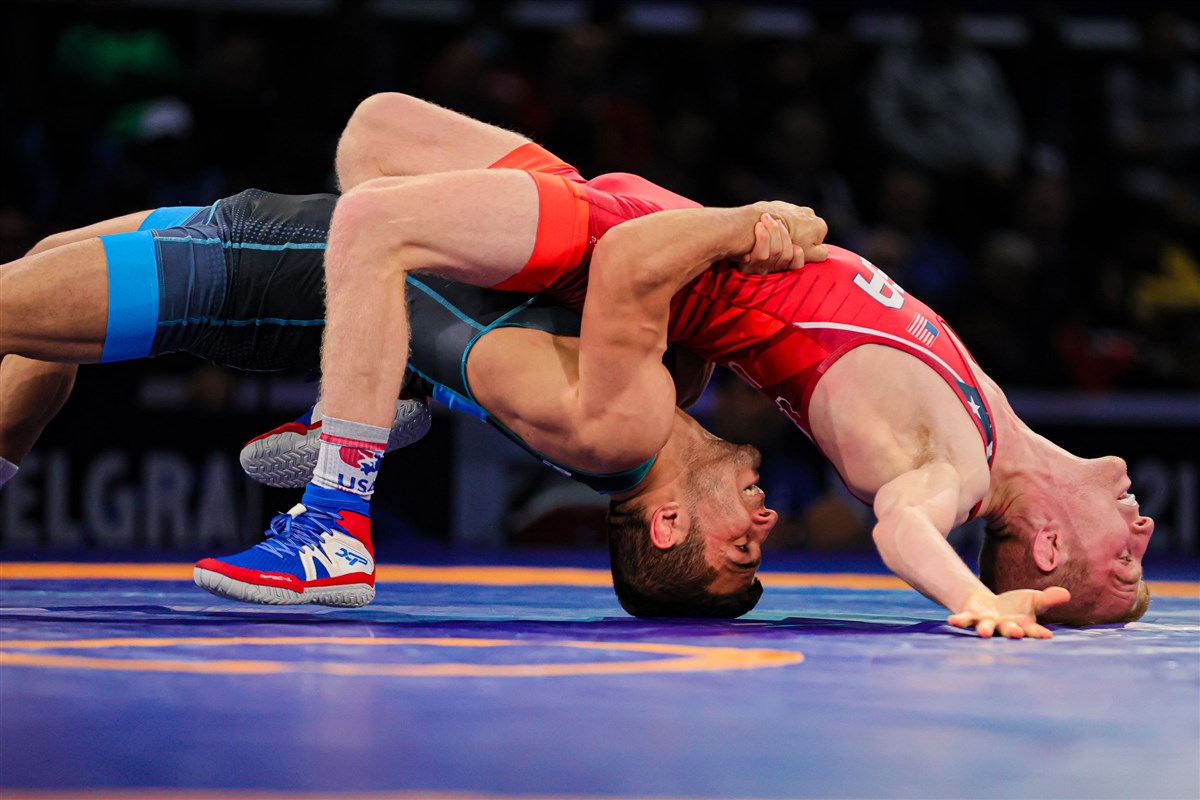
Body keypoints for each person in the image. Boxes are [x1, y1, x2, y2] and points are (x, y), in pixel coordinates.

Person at [310, 92, 1149, 636]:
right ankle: (375, 379)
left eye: (1124, 560)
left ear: (1046, 547)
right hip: (650, 213)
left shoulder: (955, 472)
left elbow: (902, 528)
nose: (1143, 532)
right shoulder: (997, 424)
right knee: (376, 132)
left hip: (633, 247)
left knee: (373, 222)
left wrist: (973, 600)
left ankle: (338, 498)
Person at [0, 188, 824, 617]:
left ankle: (337, 506)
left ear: (668, 524)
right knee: (40, 302)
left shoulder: (612, 429)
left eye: (741, 549)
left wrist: (754, 221)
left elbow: (620, 252)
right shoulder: (665, 386)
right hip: (284, 237)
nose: (767, 523)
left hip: (264, 275)